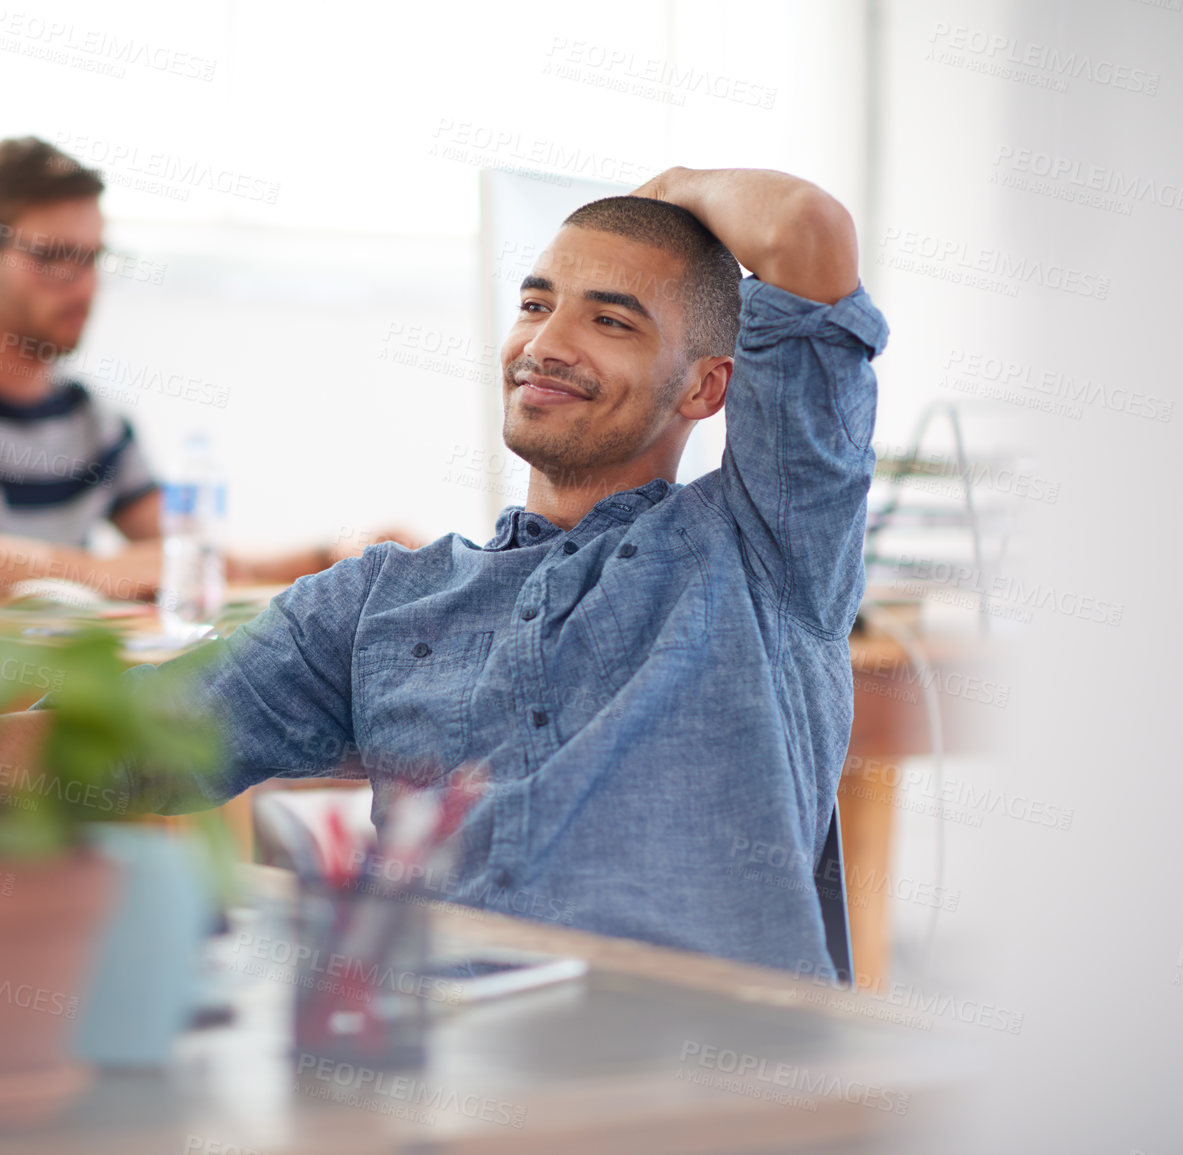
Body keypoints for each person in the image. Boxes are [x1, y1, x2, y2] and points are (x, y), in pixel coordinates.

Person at [54, 165, 883, 976]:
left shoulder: (763, 542)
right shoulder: (377, 600)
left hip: (712, 1078)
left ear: (705, 388)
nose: (546, 344)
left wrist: (673, 190)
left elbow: (805, 230)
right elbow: (119, 746)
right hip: (450, 1066)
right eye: (534, 304)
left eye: (611, 322)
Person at [0, 137, 403, 600]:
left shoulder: (94, 420)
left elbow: (191, 558)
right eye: (57, 255)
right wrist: (90, 572)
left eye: (93, 258)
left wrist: (336, 555)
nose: (84, 286)